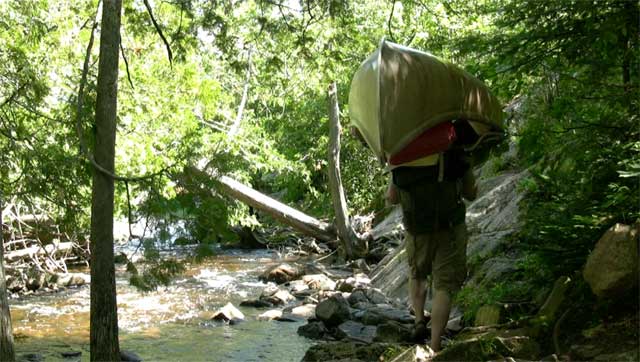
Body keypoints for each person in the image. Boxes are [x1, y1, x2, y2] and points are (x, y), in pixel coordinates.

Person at [386, 142, 477, 352]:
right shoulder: (456, 149)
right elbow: (470, 193)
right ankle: (435, 345)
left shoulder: (403, 150)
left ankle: (419, 321)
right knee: (444, 285)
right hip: (451, 228)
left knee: (418, 274)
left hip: (417, 230)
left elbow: (392, 197)